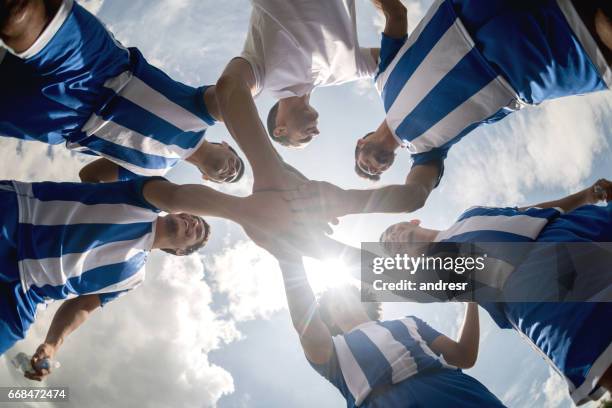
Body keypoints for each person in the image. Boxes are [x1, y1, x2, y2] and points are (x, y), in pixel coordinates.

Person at [284, 0, 612, 219]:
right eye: (375, 173)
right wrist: (345, 202)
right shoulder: (427, 153)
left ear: (360, 142)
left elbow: (394, 13)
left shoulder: (383, 77)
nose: (373, 168)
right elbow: (414, 196)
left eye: (364, 165)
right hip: (549, 55)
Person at [0, 175, 298, 379]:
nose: (195, 222)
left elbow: (84, 306)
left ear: (180, 252)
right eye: (196, 217)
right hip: (16, 218)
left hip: (22, 298)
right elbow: (177, 194)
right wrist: (244, 212)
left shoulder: (133, 277)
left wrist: (53, 345)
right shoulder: (144, 199)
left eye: (199, 233)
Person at [380, 178, 612, 405]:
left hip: (576, 228)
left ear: (414, 222)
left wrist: (586, 195)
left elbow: (529, 211)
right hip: (547, 299)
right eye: (391, 248)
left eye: (392, 231)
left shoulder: (471, 214)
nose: (394, 240)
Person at [0, 0, 244, 183]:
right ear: (225, 144)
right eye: (237, 163)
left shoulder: (152, 173)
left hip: (62, 121)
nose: (232, 171)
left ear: (207, 178)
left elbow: (90, 176)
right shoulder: (206, 113)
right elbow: (233, 90)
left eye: (229, 178)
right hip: (100, 66)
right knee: (19, 14)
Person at [264, 251, 505, 407]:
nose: (342, 302)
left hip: (455, 392)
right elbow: (306, 327)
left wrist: (471, 301)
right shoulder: (333, 348)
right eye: (334, 304)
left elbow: (463, 355)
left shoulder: (409, 322)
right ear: (331, 319)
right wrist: (290, 259)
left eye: (347, 295)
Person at [215, 0, 384, 149]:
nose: (316, 132)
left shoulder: (264, 78)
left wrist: (265, 163)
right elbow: (391, 59)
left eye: (305, 139)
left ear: (281, 130)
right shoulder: (339, 73)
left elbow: (231, 85)